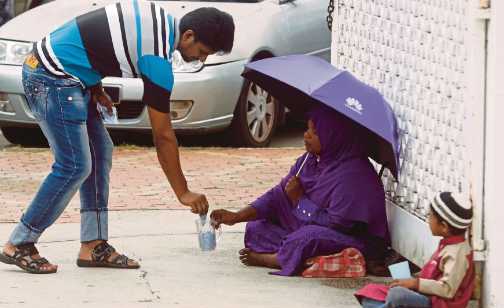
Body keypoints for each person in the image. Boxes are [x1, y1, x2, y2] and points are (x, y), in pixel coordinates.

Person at [0, 1, 235, 274]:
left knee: (100, 153)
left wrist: (95, 86)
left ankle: (94, 244)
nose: (201, 59)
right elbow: (163, 135)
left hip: (68, 75)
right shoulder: (157, 57)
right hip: (51, 77)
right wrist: (182, 191)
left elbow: (93, 41)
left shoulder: (160, 21)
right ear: (189, 35)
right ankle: (20, 242)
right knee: (74, 165)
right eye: (202, 52)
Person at [211, 106, 390, 276]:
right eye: (307, 129)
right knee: (256, 227)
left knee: (306, 237)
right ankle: (300, 256)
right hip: (307, 226)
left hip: (350, 238)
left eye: (315, 132)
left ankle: (274, 259)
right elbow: (277, 196)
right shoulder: (310, 160)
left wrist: (299, 201)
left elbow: (338, 225)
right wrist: (236, 217)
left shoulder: (353, 175)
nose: (306, 135)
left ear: (333, 136)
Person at [355, 192, 474, 308]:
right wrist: (409, 280)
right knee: (370, 290)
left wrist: (415, 283)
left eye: (431, 216)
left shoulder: (458, 253)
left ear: (444, 227)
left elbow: (447, 289)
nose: (428, 219)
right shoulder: (447, 244)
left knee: (397, 296)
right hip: (423, 297)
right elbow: (431, 275)